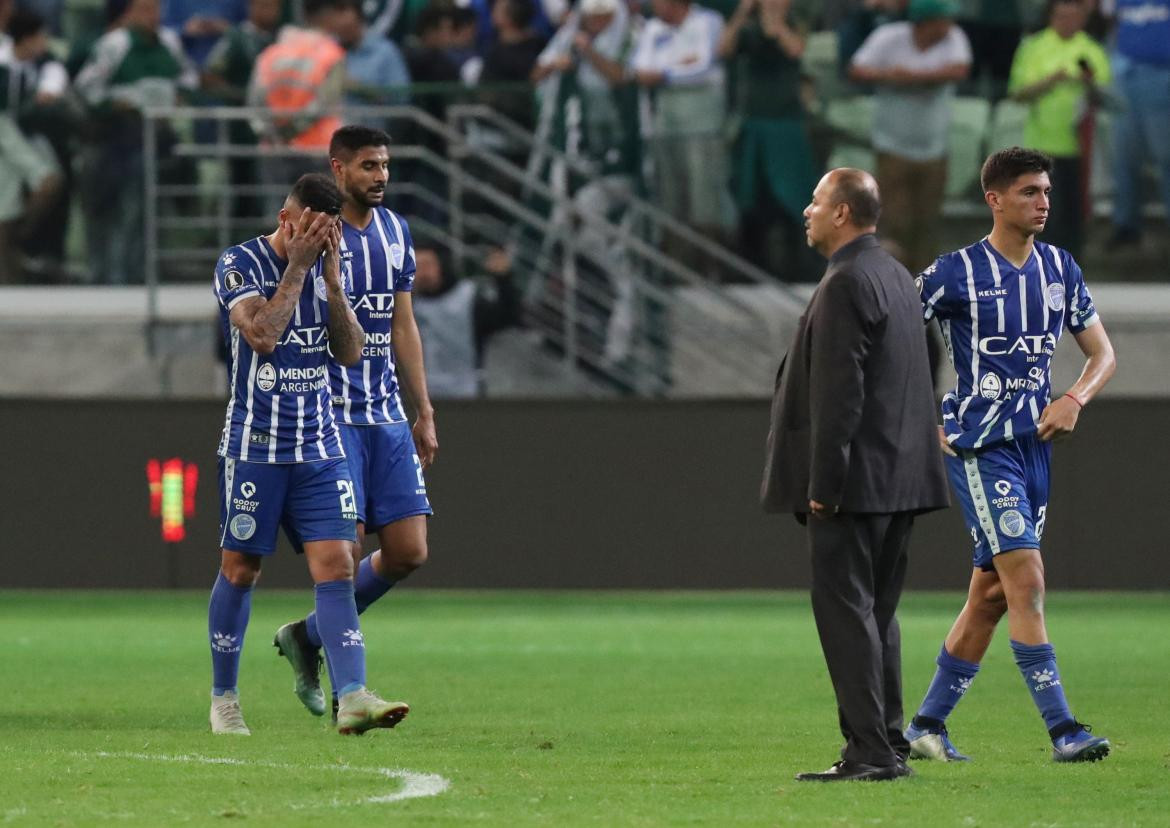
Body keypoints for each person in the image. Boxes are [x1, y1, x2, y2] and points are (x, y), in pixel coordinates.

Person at [905, 147, 1116, 764]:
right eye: (1028, 192)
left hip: (1035, 449)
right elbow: (889, 338)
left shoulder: (1060, 268)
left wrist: (1073, 397)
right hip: (980, 448)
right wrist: (923, 418)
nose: (1043, 202)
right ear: (994, 199)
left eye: (1046, 191)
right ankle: (1064, 731)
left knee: (992, 596)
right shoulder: (954, 272)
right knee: (1027, 580)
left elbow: (1102, 354)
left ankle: (925, 725)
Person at [761, 168, 949, 782]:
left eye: (815, 202)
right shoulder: (895, 275)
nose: (806, 212)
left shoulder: (845, 282)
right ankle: (887, 741)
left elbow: (839, 395)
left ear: (842, 213)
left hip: (855, 483)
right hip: (900, 477)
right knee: (877, 614)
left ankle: (870, 751)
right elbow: (928, 361)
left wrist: (824, 485)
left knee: (846, 613)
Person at [208, 172, 410, 737]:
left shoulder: (327, 269)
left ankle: (352, 697)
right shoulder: (240, 263)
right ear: (285, 219)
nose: (320, 241)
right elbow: (263, 336)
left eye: (328, 235)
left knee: (339, 564)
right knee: (241, 569)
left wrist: (335, 280)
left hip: (319, 445)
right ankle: (224, 698)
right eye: (311, 232)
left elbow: (349, 353)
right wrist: (297, 266)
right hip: (256, 445)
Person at [273, 126, 437, 721]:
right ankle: (353, 695)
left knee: (407, 553)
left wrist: (424, 409)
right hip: (328, 418)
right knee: (341, 553)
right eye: (369, 166)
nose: (381, 177)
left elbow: (403, 326)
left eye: (386, 165)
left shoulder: (396, 232)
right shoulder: (312, 236)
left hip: (387, 417)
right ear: (338, 170)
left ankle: (306, 638)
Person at [74, 0, 198, 283]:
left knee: (148, 208)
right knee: (123, 208)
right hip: (119, 137)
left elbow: (188, 76)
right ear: (129, 13)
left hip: (160, 136)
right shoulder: (114, 45)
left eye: (154, 9)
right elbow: (87, 87)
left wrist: (179, 94)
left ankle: (140, 272)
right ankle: (114, 275)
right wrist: (118, 102)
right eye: (143, 9)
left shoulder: (169, 41)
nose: (151, 16)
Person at [848, 0, 971, 275]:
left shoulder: (954, 39)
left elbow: (959, 70)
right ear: (926, 22)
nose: (949, 26)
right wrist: (891, 76)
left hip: (935, 149)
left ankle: (924, 287)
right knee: (896, 221)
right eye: (943, 20)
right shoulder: (888, 38)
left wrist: (910, 77)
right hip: (892, 147)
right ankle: (894, 282)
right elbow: (857, 69)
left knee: (927, 221)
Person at [1007, 0, 1109, 259]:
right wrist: (1050, 81)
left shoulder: (1091, 49)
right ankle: (1039, 267)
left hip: (1079, 147)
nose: (1068, 23)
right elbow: (1018, 92)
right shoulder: (1034, 46)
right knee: (1042, 213)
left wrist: (1088, 84)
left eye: (1074, 18)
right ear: (1051, 18)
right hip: (1040, 146)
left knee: (1074, 212)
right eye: (1062, 17)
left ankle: (1072, 268)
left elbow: (1108, 97)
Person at [412, 240, 521, 397]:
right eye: (416, 267)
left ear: (442, 265)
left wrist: (503, 280)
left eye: (427, 265)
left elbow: (507, 317)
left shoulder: (468, 297)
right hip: (422, 396)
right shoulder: (408, 304)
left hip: (466, 392)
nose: (421, 273)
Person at [1105, 0, 1170, 250]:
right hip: (1124, 76)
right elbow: (1112, 25)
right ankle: (1127, 225)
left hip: (1161, 76)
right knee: (1125, 157)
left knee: (1166, 158)